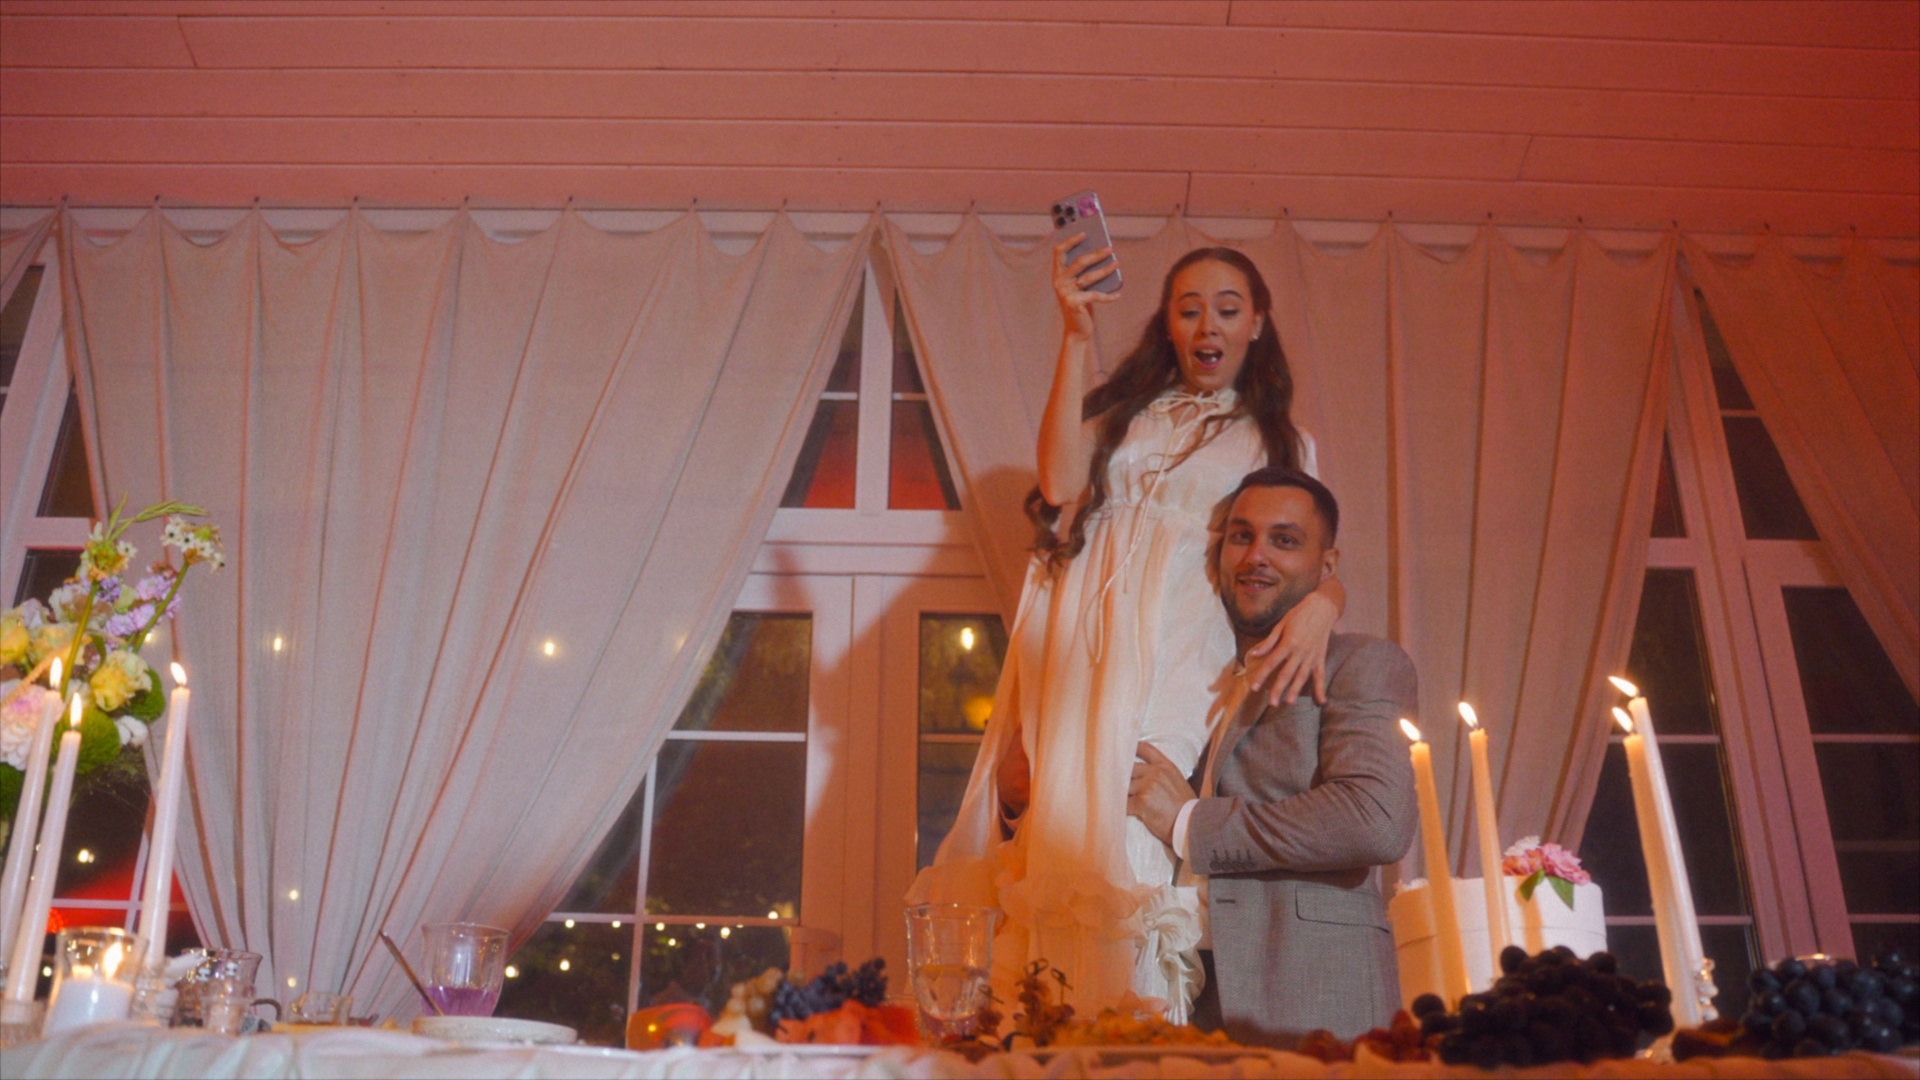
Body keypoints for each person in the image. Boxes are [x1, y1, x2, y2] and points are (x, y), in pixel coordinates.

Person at [908, 243, 1346, 1020]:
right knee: (1052, 826)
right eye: (1188, 309)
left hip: (1179, 649)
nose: (1207, 324)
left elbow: (1302, 554)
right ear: (1167, 325)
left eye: (1227, 308)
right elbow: (1059, 483)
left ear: (1256, 324)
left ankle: (1132, 1033)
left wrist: (1328, 603)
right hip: (1078, 645)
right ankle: (1042, 1035)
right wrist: (1075, 334)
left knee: (1134, 821)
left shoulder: (1283, 442)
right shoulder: (1124, 416)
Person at [1127, 468, 1417, 1046]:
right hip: (1178, 996)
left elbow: (1374, 819)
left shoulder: (1362, 663)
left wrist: (1190, 822)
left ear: (1326, 565)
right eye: (1242, 536)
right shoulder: (1182, 677)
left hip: (1309, 993)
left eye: (1284, 540)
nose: (1256, 555)